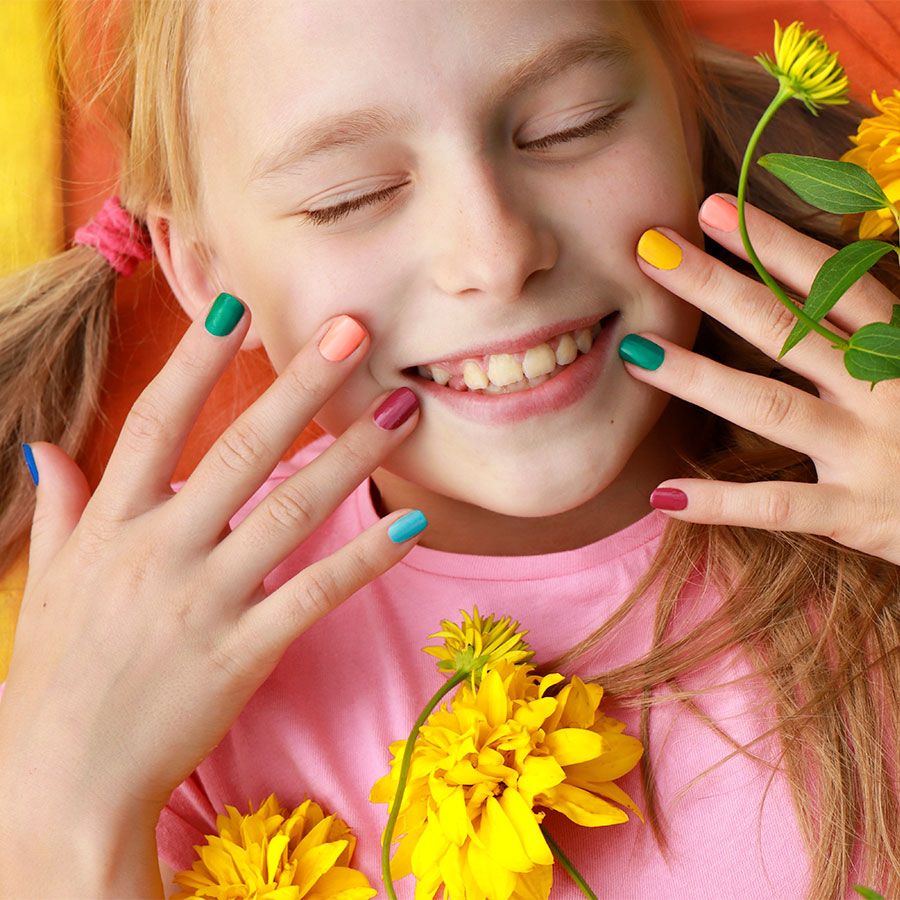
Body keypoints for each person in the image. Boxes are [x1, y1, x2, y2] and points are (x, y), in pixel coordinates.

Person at [1, 1, 899, 897]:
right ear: (204, 268)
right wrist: (61, 813)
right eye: (348, 197)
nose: (497, 253)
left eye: (568, 127)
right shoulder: (161, 652)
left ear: (683, 110)